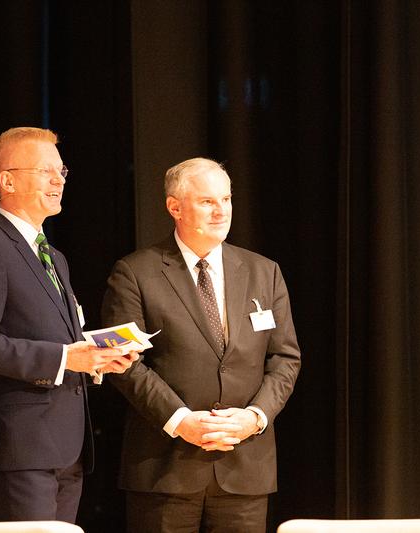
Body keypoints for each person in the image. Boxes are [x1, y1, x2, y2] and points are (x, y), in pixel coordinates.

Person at [101, 157, 301, 533]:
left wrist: (254, 417)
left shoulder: (264, 271)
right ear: (174, 207)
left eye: (226, 200)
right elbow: (124, 362)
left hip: (244, 468)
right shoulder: (135, 272)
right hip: (165, 469)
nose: (221, 211)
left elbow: (285, 358)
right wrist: (180, 421)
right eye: (208, 201)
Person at [0, 126, 137, 523]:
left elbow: (60, 340)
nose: (58, 180)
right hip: (21, 446)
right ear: (7, 180)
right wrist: (66, 358)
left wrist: (98, 359)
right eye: (45, 171)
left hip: (66, 447)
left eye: (62, 171)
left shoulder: (53, 255)